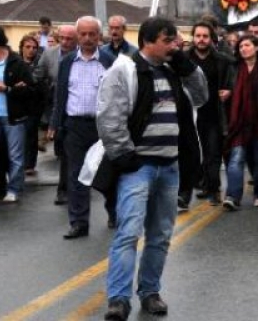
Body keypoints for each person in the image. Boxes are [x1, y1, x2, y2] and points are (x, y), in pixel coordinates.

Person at [96, 17, 207, 321]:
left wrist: (187, 66)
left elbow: (201, 97)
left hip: (169, 166)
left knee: (159, 235)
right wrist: (125, 157)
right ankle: (118, 299)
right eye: (167, 39)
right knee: (128, 233)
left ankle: (150, 292)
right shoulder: (125, 70)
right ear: (148, 41)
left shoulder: (175, 71)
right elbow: (109, 117)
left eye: (175, 39)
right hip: (138, 167)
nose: (174, 45)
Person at [50, 17, 118, 238]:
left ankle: (114, 211)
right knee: (76, 175)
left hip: (102, 127)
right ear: (78, 36)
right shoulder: (67, 62)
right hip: (75, 126)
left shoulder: (109, 61)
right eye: (83, 34)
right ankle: (79, 222)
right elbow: (60, 95)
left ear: (99, 36)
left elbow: (119, 95)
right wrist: (55, 124)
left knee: (107, 174)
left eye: (92, 34)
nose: (88, 39)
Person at [188, 21, 234, 205]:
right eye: (198, 36)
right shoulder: (184, 59)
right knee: (192, 154)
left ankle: (214, 189)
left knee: (213, 152)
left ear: (211, 39)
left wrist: (229, 90)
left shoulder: (222, 60)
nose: (201, 39)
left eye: (205, 36)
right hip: (190, 115)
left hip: (214, 114)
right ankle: (201, 185)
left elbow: (234, 77)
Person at [223, 35, 258, 210]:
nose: (243, 49)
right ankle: (232, 196)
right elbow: (228, 89)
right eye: (241, 46)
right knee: (236, 159)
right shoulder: (234, 68)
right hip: (239, 123)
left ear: (257, 47)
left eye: (247, 45)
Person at [36, 24, 77, 205]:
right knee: (64, 153)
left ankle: (79, 188)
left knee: (78, 154)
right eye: (63, 38)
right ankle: (63, 191)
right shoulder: (49, 54)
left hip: (78, 110)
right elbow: (38, 75)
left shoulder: (83, 55)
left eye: (70, 39)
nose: (66, 42)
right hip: (57, 107)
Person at [0, 27, 35, 203]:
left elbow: (30, 89)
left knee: (15, 155)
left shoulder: (16, 62)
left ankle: (14, 188)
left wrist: (7, 88)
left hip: (12, 116)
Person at [18, 35, 43, 179]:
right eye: (28, 47)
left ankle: (29, 165)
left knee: (31, 134)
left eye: (34, 48)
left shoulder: (39, 64)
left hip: (33, 105)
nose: (31, 50)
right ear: (22, 48)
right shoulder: (15, 63)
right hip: (17, 106)